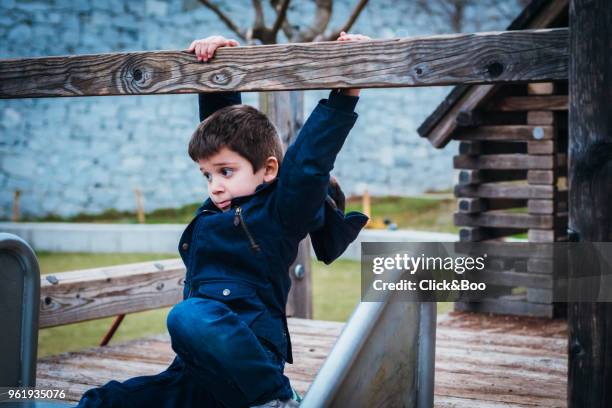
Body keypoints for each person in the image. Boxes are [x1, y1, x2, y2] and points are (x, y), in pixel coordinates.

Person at [76, 32, 369, 408]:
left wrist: (346, 92)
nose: (214, 187)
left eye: (225, 173)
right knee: (102, 400)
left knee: (188, 314)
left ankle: (277, 399)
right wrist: (218, 73)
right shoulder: (220, 206)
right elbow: (222, 134)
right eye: (207, 175)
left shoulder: (280, 212)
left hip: (250, 365)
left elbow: (310, 160)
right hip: (194, 370)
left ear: (268, 170)